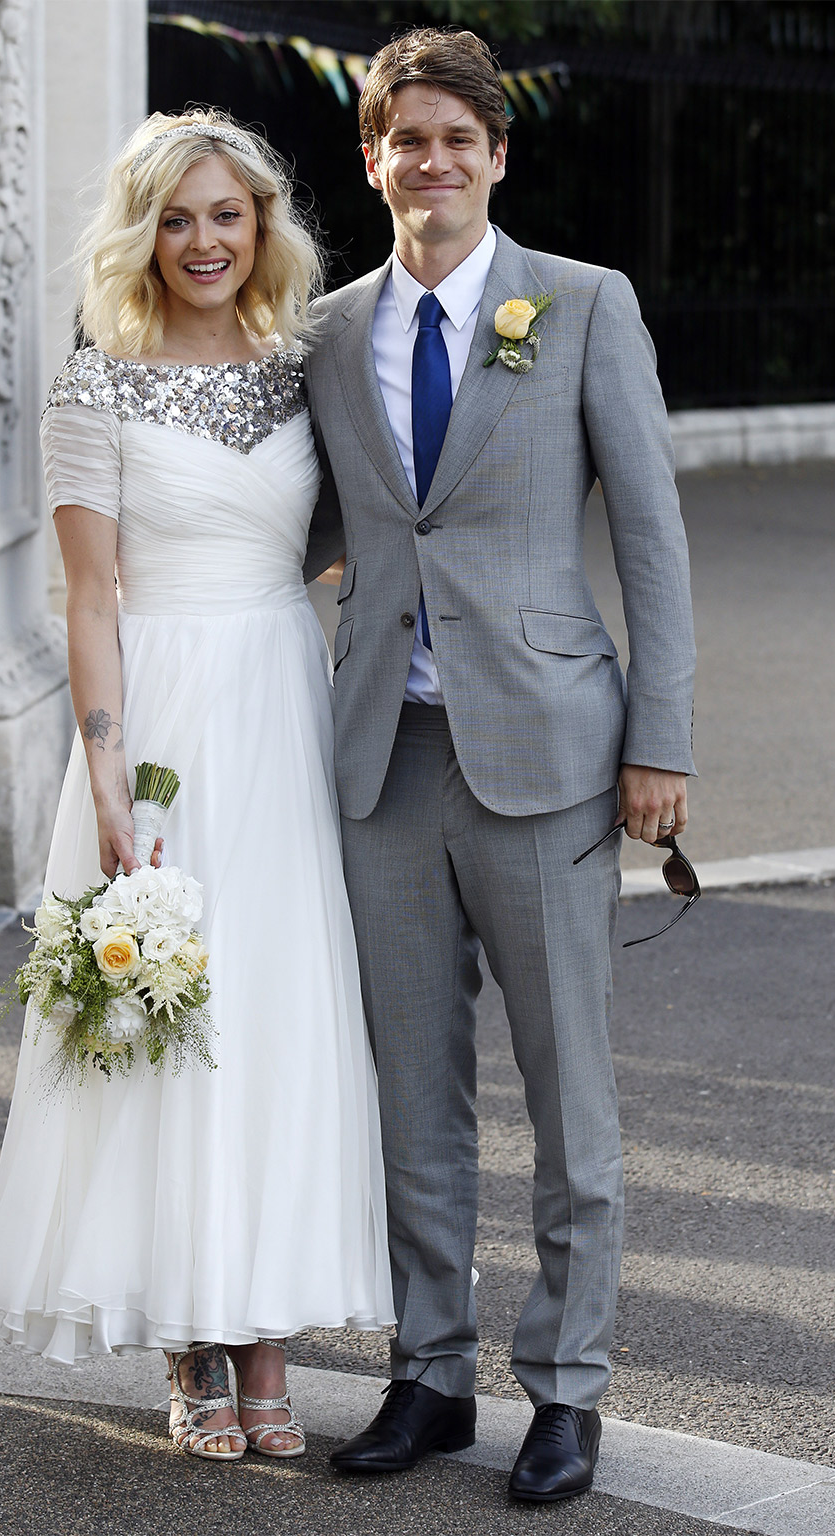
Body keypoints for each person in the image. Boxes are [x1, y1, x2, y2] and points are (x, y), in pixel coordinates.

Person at [0, 110, 393, 1464]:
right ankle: (191, 1350)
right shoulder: (98, 386)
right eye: (177, 217)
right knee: (163, 1033)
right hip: (161, 732)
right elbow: (88, 599)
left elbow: (351, 536)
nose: (205, 242)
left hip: (286, 713)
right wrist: (104, 780)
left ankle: (264, 1341)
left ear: (263, 227)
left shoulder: (303, 362)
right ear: (141, 231)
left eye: (228, 215)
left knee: (274, 1024)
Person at [303, 29, 695, 1502]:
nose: (435, 162)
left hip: (552, 754)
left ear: (498, 158)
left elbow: (650, 534)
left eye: (461, 139)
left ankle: (570, 1392)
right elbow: (308, 526)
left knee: (568, 1092)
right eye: (409, 138)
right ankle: (428, 1372)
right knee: (416, 1090)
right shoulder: (333, 332)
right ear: (374, 159)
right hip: (384, 764)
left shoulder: (580, 306)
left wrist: (665, 739)